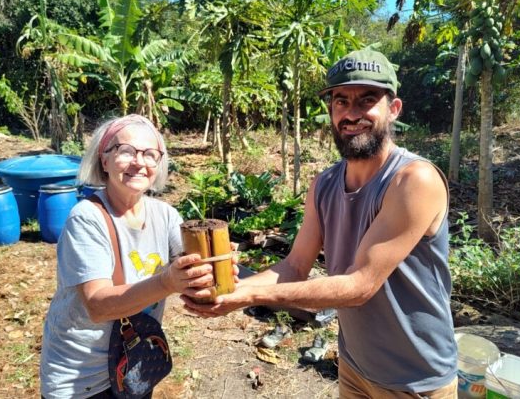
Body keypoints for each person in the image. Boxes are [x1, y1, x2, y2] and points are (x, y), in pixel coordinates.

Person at [182, 48, 458, 398]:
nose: (351, 113)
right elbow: (295, 265)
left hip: (415, 378)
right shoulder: (325, 184)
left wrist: (249, 294)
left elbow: (359, 285)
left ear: (394, 109)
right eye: (341, 101)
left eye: (367, 100)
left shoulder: (413, 180)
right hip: (355, 366)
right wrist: (228, 291)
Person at [40, 114, 215, 398]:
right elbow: (98, 306)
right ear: (104, 160)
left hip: (133, 364)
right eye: (126, 151)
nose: (139, 162)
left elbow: (188, 269)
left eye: (150, 154)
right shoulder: (86, 218)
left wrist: (212, 269)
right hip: (82, 379)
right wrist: (168, 282)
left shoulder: (166, 215)